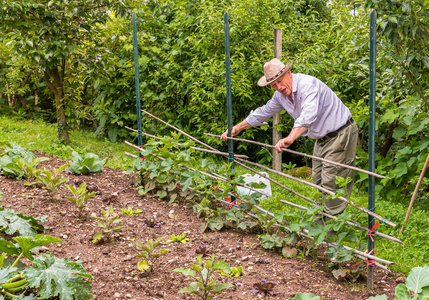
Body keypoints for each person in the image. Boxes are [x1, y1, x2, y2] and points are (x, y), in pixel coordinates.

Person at [221, 58, 358, 216]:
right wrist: (238, 128)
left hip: (340, 132)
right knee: (319, 181)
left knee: (332, 181)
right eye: (274, 85)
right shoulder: (281, 96)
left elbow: (308, 116)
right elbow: (264, 111)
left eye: (280, 81)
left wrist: (291, 137)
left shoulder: (308, 85)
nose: (279, 87)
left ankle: (331, 230)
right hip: (322, 138)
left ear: (289, 73)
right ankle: (321, 224)